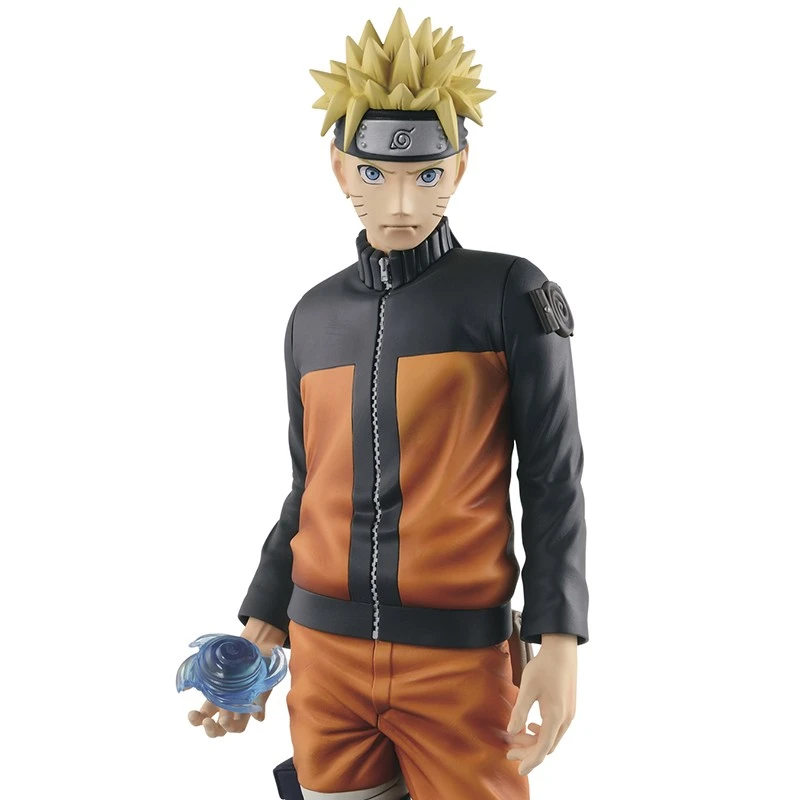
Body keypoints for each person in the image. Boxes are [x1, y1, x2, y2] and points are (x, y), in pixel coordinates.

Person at [188, 9, 589, 800]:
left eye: (426, 174)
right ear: (340, 169)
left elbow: (552, 479)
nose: (401, 202)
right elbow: (310, 490)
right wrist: (260, 631)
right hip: (322, 661)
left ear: (460, 166)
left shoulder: (511, 295)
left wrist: (560, 637)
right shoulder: (312, 317)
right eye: (375, 174)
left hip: (458, 662)